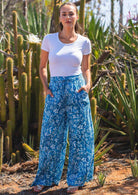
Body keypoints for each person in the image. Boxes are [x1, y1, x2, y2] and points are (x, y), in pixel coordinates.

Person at [31, 2, 94, 194]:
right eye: (64, 14)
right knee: (51, 135)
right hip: (55, 90)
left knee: (80, 136)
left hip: (77, 89)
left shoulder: (84, 42)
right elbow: (42, 66)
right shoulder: (49, 39)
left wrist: (88, 84)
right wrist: (45, 87)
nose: (67, 17)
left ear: (76, 17)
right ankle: (45, 179)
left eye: (71, 14)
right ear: (59, 18)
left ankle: (76, 180)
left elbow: (86, 68)